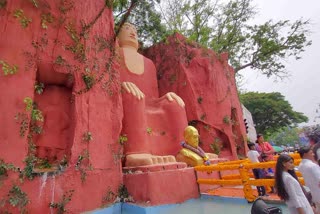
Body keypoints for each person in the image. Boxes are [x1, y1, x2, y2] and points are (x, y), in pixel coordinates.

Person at [117, 22, 188, 166]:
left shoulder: (149, 64)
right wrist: (121, 86)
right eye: (127, 29)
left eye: (134, 30)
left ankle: (184, 151)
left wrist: (166, 97)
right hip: (128, 99)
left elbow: (153, 98)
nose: (132, 32)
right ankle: (137, 152)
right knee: (133, 95)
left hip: (148, 103)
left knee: (174, 103)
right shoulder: (114, 55)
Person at [298, 146, 320, 214]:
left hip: (313, 191)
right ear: (305, 154)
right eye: (311, 153)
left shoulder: (300, 165)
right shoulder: (312, 165)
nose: (313, 154)